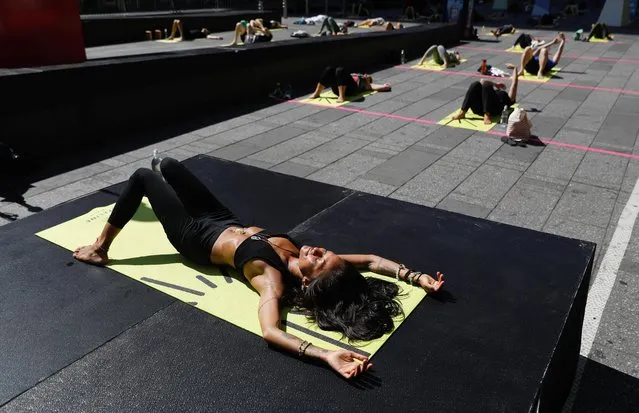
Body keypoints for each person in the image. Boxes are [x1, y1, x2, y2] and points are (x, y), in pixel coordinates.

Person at [73, 157, 445, 379]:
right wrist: (415, 276)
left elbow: (270, 331)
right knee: (169, 165)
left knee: (143, 176)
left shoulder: (270, 280)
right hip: (221, 217)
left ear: (309, 280)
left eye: (317, 260)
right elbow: (371, 260)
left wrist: (326, 354)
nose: (316, 250)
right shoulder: (315, 262)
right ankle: (164, 181)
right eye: (324, 253)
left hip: (194, 235)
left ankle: (99, 248)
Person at [451, 63, 519, 125]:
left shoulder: (509, 99)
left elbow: (514, 84)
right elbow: (482, 81)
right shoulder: (490, 91)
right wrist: (495, 84)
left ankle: (487, 115)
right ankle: (462, 112)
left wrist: (515, 68)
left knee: (486, 85)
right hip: (479, 108)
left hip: (493, 110)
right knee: (475, 84)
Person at [309, 66, 392, 103]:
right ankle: (317, 93)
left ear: (369, 80)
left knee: (340, 70)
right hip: (338, 88)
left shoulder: (367, 84)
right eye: (366, 74)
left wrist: (385, 86)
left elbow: (375, 87)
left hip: (351, 90)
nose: (366, 74)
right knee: (329, 69)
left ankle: (342, 96)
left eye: (368, 76)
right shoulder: (355, 75)